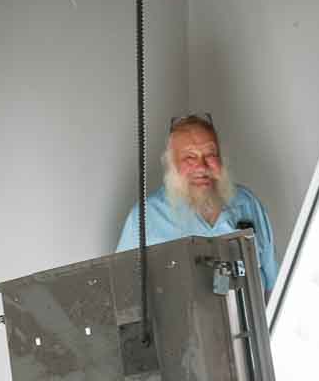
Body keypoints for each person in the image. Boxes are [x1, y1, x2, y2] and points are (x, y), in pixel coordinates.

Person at [116, 114, 279, 294]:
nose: (202, 167)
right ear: (171, 165)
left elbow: (273, 286)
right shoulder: (144, 219)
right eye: (189, 157)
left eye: (210, 154)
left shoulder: (247, 204)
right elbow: (122, 297)